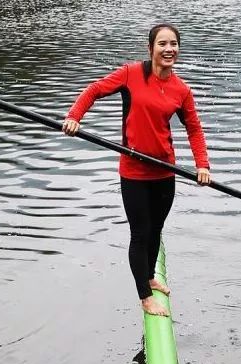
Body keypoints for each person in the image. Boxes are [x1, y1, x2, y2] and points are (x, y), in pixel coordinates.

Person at [63, 23, 211, 317]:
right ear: (150, 49)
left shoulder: (181, 90)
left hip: (165, 171)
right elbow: (94, 90)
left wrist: (202, 165)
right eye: (162, 44)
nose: (169, 49)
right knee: (140, 233)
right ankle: (145, 297)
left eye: (173, 44)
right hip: (133, 172)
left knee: (156, 229)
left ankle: (150, 277)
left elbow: (194, 129)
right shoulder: (130, 74)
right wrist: (74, 117)